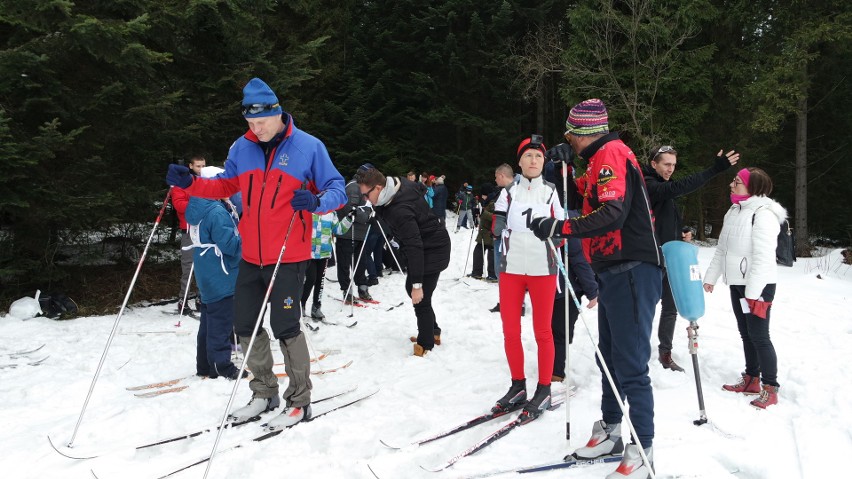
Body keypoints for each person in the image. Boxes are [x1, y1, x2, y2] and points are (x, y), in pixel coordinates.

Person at [166, 77, 346, 428]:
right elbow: (225, 185)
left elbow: (336, 188)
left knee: (285, 327)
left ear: (277, 113)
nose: (256, 129)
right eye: (249, 123)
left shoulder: (309, 147)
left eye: (261, 122)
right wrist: (191, 182)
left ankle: (299, 400)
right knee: (244, 324)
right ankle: (264, 391)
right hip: (251, 254)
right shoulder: (242, 148)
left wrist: (317, 201)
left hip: (288, 255)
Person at [529, 99, 662, 479]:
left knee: (632, 363)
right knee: (610, 356)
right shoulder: (598, 159)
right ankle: (611, 430)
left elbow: (611, 212)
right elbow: (583, 190)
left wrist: (561, 228)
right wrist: (561, 164)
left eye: (570, 133)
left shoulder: (610, 153)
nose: (567, 138)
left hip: (633, 268)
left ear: (584, 131)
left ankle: (644, 447)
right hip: (615, 270)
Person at [643, 145, 740, 372]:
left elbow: (666, 218)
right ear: (653, 163)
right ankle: (638, 352)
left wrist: (683, 230)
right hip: (648, 257)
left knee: (670, 307)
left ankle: (665, 353)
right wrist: (714, 169)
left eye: (674, 165)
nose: (670, 169)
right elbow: (679, 188)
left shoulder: (663, 186)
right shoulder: (647, 184)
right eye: (666, 164)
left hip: (671, 256)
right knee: (645, 308)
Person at [490, 135, 564, 421]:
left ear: (544, 162)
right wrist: (498, 226)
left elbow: (561, 227)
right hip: (511, 269)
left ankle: (543, 389)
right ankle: (518, 385)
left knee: (542, 331)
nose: (534, 161)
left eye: (539, 157)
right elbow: (498, 219)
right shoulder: (509, 191)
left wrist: (557, 237)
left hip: (542, 270)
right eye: (529, 156)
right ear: (519, 161)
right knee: (510, 329)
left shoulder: (551, 191)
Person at [703, 167, 784, 409]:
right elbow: (722, 250)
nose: (731, 184)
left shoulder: (763, 214)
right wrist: (711, 277)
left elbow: (763, 256)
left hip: (758, 286)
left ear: (753, 187)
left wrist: (753, 292)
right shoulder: (734, 211)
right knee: (746, 333)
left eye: (737, 181)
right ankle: (751, 379)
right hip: (738, 284)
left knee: (760, 336)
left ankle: (770, 387)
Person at [356, 166, 451, 356]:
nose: (365, 199)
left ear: (378, 188)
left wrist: (417, 284)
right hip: (427, 245)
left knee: (419, 296)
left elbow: (414, 245)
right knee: (417, 292)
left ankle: (426, 344)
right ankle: (433, 331)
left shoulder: (399, 210)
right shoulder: (396, 186)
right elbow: (421, 189)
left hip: (432, 249)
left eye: (366, 195)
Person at [183, 166, 245, 380]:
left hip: (206, 268)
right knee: (221, 321)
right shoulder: (216, 211)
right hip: (221, 271)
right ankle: (221, 366)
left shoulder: (199, 205)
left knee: (209, 319)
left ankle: (204, 365)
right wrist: (244, 235)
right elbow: (230, 246)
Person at [333, 168, 374, 303]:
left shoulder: (366, 187)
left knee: (361, 263)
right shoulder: (353, 187)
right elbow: (351, 209)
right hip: (348, 233)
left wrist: (372, 214)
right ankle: (347, 290)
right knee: (345, 263)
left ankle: (362, 287)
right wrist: (366, 218)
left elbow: (368, 207)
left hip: (360, 234)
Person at [171, 155, 205, 316]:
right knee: (188, 266)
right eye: (198, 166)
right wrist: (198, 203)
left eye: (203, 166)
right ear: (190, 166)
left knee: (204, 265)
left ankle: (201, 298)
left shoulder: (206, 182)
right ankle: (182, 300)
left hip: (204, 230)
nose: (201, 170)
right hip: (189, 230)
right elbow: (179, 205)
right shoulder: (181, 185)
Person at [488, 164, 518, 313]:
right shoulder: (522, 187)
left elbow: (499, 218)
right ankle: (518, 304)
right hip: (517, 238)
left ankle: (507, 302)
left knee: (502, 271)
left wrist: (495, 234)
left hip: (504, 239)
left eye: (496, 176)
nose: (495, 180)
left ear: (501, 175)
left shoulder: (506, 192)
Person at [302, 212, 335, 320]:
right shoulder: (309, 209)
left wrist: (348, 219)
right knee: (311, 278)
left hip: (324, 253)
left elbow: (338, 230)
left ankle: (316, 307)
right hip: (309, 253)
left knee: (320, 281)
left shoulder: (331, 212)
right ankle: (301, 304)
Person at [469, 184, 496, 281]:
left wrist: (483, 212)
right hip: (484, 231)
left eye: (484, 195)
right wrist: (477, 214)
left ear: (487, 194)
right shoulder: (488, 202)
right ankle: (477, 272)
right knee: (479, 251)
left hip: (490, 231)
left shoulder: (493, 202)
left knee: (490, 252)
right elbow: (483, 214)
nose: (482, 197)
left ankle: (492, 274)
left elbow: (495, 217)